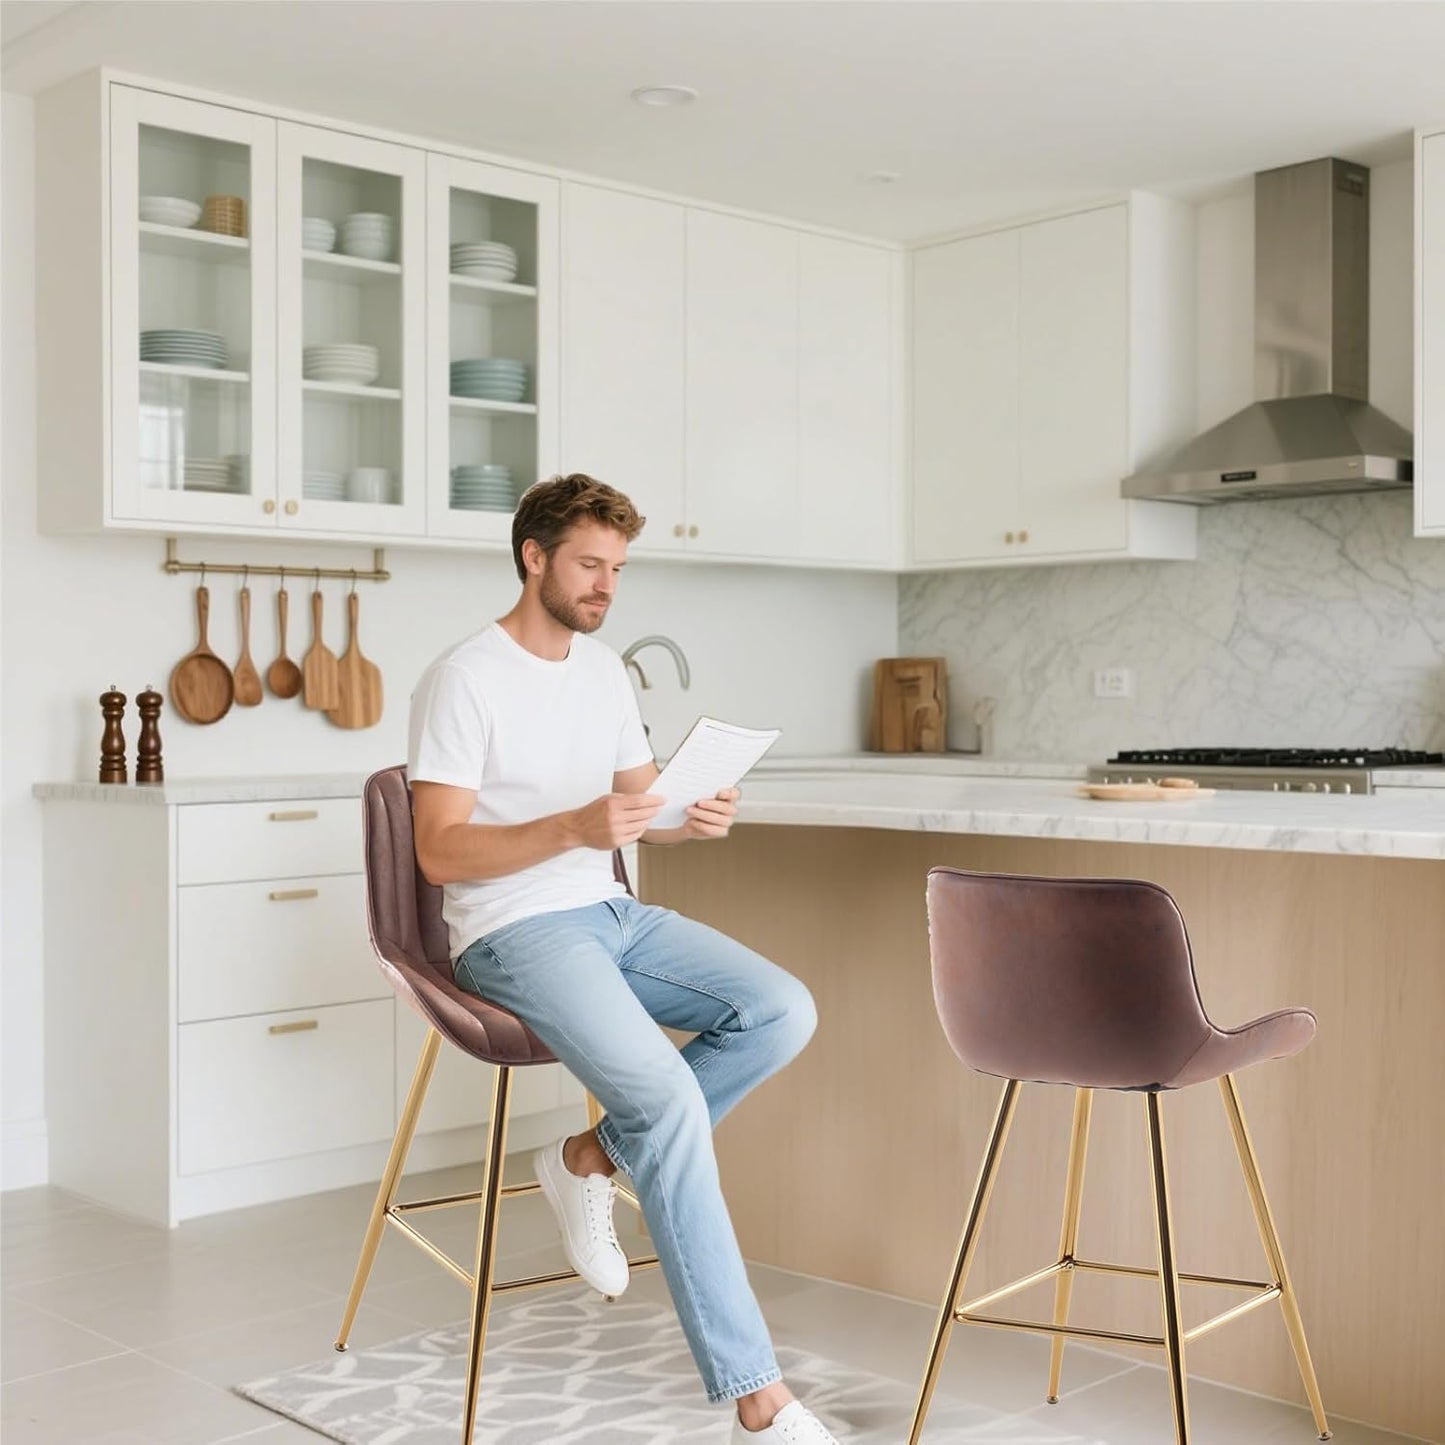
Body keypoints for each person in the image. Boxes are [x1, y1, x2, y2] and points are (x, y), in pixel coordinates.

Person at [407, 473, 839, 1443]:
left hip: (608, 910)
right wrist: (569, 824)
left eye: (617, 568)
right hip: (511, 930)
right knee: (671, 1100)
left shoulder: (604, 671)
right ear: (533, 557)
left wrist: (695, 817)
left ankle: (585, 1158)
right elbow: (437, 849)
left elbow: (642, 806)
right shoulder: (462, 676)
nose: (606, 586)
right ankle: (756, 1399)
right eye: (589, 565)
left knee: (781, 1007)